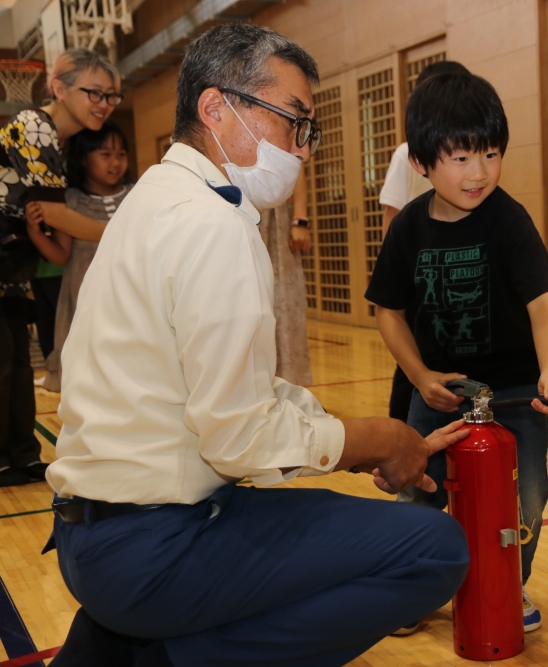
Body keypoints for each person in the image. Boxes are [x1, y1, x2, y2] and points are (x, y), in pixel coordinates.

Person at [45, 24, 469, 667]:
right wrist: (379, 439)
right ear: (217, 108)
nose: (302, 150)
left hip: (91, 534)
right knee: (434, 549)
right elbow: (237, 438)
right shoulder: (212, 225)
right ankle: (164, 656)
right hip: (150, 548)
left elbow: (219, 390)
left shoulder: (151, 199)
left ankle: (116, 645)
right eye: (292, 122)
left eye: (309, 131)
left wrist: (341, 435)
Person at [365, 71, 548, 634]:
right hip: (436, 394)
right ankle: (415, 589)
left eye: (490, 153)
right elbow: (389, 311)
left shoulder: (510, 220)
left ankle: (506, 583)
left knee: (525, 497)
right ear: (422, 163)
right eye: (459, 158)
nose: (478, 172)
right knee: (417, 492)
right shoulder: (408, 228)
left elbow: (543, 302)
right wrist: (420, 374)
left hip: (514, 395)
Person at [0, 48, 119, 488]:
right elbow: (53, 213)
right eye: (94, 92)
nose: (104, 103)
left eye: (112, 96)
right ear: (59, 88)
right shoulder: (34, 125)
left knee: (13, 360)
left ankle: (21, 456)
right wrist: (125, 230)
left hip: (12, 263)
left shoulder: (62, 143)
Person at [379, 59, 469, 424]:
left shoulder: (472, 157)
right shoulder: (406, 154)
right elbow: (392, 220)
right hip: (422, 283)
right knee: (413, 366)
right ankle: (401, 435)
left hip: (459, 282)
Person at [40, 120, 133, 394]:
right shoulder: (71, 201)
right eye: (105, 154)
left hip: (127, 299)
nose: (115, 162)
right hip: (83, 301)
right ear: (83, 159)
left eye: (121, 154)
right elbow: (60, 256)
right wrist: (36, 234)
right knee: (88, 380)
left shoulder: (135, 196)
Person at [257, 170, 313, 386]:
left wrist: (300, 220)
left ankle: (291, 386)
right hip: (237, 209)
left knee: (284, 303)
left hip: (274, 218)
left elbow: (295, 163)